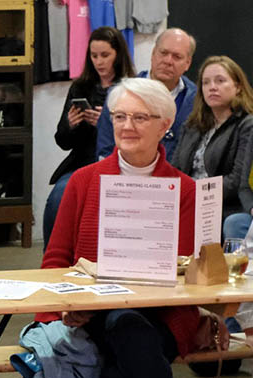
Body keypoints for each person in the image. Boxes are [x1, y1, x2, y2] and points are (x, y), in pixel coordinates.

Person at [42, 78, 214, 378]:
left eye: (141, 117)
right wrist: (62, 311)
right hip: (93, 318)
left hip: (163, 317)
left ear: (165, 125)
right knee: (123, 337)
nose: (128, 125)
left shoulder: (186, 191)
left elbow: (193, 271)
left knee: (125, 346)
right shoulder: (81, 182)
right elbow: (54, 263)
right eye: (120, 116)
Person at [44, 26, 135, 248]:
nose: (99, 62)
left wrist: (105, 124)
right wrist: (71, 125)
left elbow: (137, 138)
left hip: (117, 163)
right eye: (94, 56)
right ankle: (51, 253)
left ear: (118, 55)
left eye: (105, 55)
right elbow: (62, 141)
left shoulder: (130, 88)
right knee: (59, 195)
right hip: (82, 162)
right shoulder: (81, 87)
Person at [171, 55, 253, 239]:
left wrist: (195, 193)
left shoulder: (247, 125)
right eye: (206, 83)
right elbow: (175, 169)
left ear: (238, 86)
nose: (212, 87)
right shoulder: (192, 125)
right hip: (187, 203)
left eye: (220, 81)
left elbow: (237, 180)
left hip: (223, 208)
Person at [95, 28, 198, 161]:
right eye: (163, 53)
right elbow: (106, 148)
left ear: (187, 63)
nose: (168, 61)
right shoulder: (120, 94)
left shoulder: (197, 100)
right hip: (125, 177)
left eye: (177, 57)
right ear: (153, 54)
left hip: (175, 178)